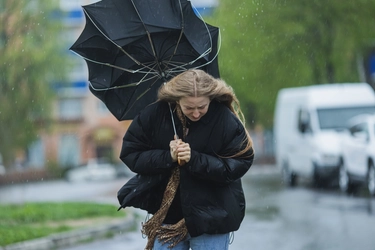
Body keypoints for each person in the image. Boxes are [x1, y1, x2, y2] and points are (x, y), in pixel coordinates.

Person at [118, 69, 254, 250]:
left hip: (212, 219)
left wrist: (194, 159)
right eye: (189, 107)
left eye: (202, 107)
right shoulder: (154, 115)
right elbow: (131, 154)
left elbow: (239, 163)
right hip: (167, 219)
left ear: (211, 99)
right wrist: (168, 157)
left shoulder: (224, 119)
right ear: (176, 100)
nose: (196, 113)